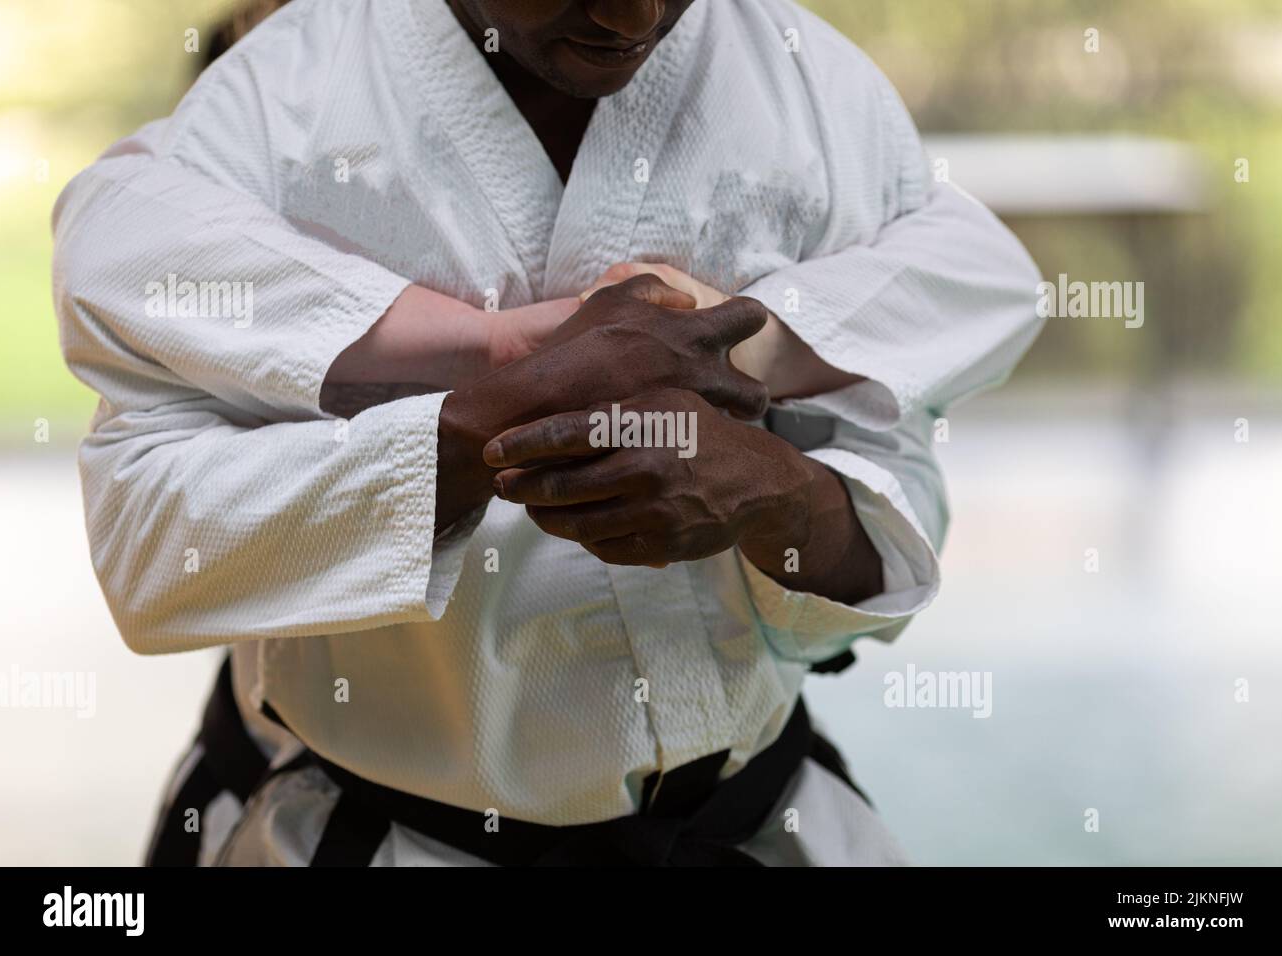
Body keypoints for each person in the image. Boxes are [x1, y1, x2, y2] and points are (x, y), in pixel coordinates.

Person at [52, 0, 1043, 866]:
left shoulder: (808, 81)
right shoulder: (265, 118)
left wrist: (767, 479)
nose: (633, 18)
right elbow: (150, 545)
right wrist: (484, 423)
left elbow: (892, 465)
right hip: (390, 839)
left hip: (756, 820)